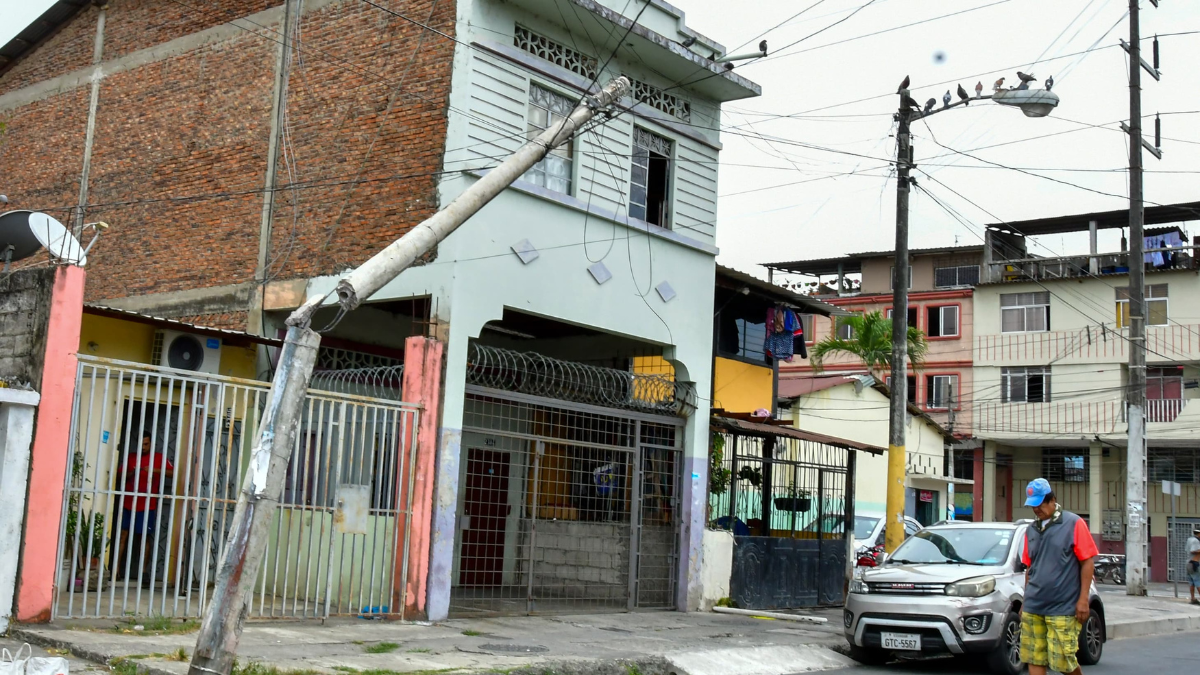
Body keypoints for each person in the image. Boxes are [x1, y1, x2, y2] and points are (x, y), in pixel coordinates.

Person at [1019, 477, 1098, 675]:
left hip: (1063, 607)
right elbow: (1030, 568)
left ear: (1053, 500)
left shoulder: (1074, 523)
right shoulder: (1031, 530)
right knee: (1034, 657)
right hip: (1034, 604)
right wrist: (1025, 601)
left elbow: (1087, 562)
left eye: (1040, 504)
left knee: (1064, 661)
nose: (1036, 509)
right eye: (1033, 506)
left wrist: (1083, 600)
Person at [114, 432, 173, 589]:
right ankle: (116, 570)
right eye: (141, 444)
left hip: (147, 504)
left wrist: (155, 470)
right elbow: (119, 476)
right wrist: (132, 472)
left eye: (146, 444)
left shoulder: (159, 458)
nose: (143, 447)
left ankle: (143, 572)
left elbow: (173, 473)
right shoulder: (131, 457)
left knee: (144, 538)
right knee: (123, 535)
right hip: (128, 502)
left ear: (151, 444)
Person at [1187, 527, 1200, 605]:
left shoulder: (1189, 539)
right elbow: (1193, 551)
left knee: (1191, 582)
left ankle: (1193, 598)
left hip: (1188, 563)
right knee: (1198, 581)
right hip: (1194, 563)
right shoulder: (1196, 541)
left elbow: (1187, 550)